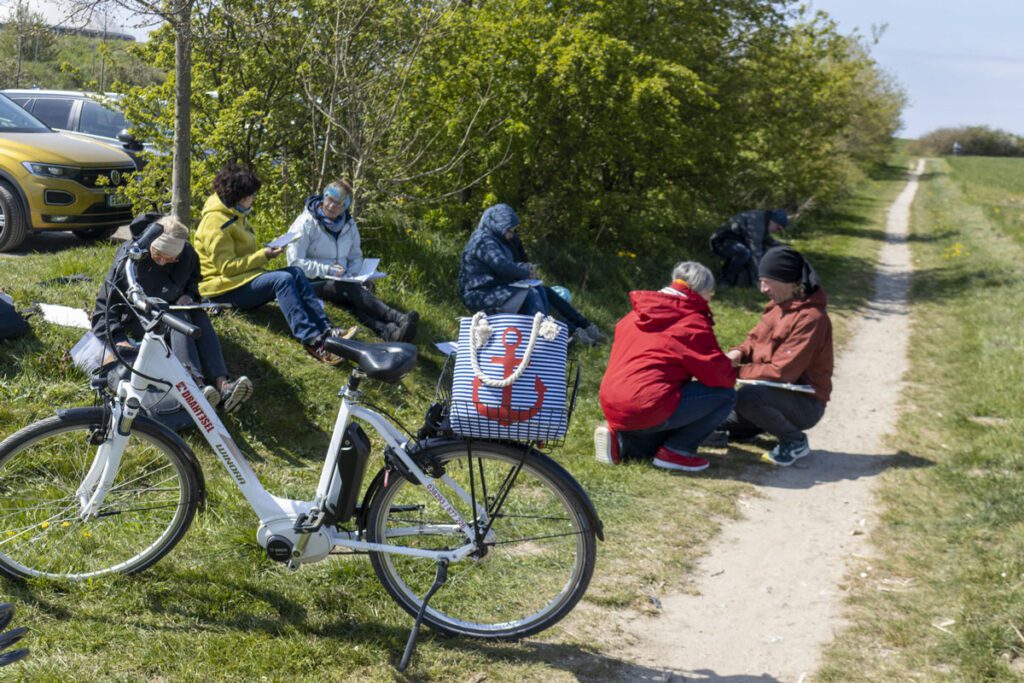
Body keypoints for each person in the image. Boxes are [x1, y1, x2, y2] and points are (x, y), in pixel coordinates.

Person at [193, 164, 353, 364]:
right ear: (240, 196)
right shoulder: (216, 223)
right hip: (222, 288)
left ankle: (326, 329)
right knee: (282, 279)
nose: (253, 198)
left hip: (238, 280)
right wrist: (264, 255)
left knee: (294, 272)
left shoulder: (235, 213)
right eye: (251, 195)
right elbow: (226, 267)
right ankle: (313, 341)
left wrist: (268, 250)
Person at [92, 215, 253, 412]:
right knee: (180, 318)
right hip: (141, 315)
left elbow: (194, 281)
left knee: (198, 314)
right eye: (157, 255)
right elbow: (104, 307)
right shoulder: (130, 258)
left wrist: (189, 294)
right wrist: (118, 338)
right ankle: (196, 385)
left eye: (169, 259)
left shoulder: (188, 254)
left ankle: (223, 385)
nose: (161, 262)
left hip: (177, 309)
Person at [594, 262, 737, 472]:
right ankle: (678, 451)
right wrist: (731, 359)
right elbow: (720, 376)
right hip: (647, 404)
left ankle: (622, 441)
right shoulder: (691, 321)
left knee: (656, 411)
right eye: (711, 294)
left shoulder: (634, 314)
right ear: (703, 292)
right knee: (726, 395)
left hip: (612, 402)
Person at [719, 245, 834, 466]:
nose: (762, 289)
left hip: (804, 404)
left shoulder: (812, 319)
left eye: (767, 282)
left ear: (789, 282)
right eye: (761, 281)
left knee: (747, 398)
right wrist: (735, 354)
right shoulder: (778, 306)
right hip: (771, 394)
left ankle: (795, 441)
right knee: (714, 414)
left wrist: (730, 372)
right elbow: (753, 341)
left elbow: (782, 371)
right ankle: (755, 426)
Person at [286, 180, 418, 342]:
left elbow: (355, 255)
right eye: (330, 200)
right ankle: (397, 317)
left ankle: (390, 332)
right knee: (347, 288)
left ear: (345, 207)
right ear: (323, 197)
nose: (332, 206)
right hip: (310, 282)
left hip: (342, 278)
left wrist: (354, 273)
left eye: (339, 204)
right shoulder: (305, 222)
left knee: (352, 294)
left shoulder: (349, 224)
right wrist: (327, 270)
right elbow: (294, 263)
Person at [458, 203, 604, 344]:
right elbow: (501, 265)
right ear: (498, 226)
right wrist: (525, 272)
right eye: (509, 230)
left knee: (542, 290)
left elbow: (505, 265)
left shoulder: (497, 240)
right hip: (478, 294)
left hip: (494, 289)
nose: (511, 234)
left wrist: (524, 267)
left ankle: (579, 327)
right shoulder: (483, 241)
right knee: (531, 294)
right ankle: (543, 339)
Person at [710, 209, 788, 287]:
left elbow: (765, 238)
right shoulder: (758, 222)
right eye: (778, 228)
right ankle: (725, 282)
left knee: (756, 251)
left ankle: (741, 281)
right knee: (744, 253)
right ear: (772, 221)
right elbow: (756, 251)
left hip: (733, 241)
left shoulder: (763, 220)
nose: (776, 231)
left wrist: (780, 245)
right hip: (721, 241)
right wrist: (758, 279)